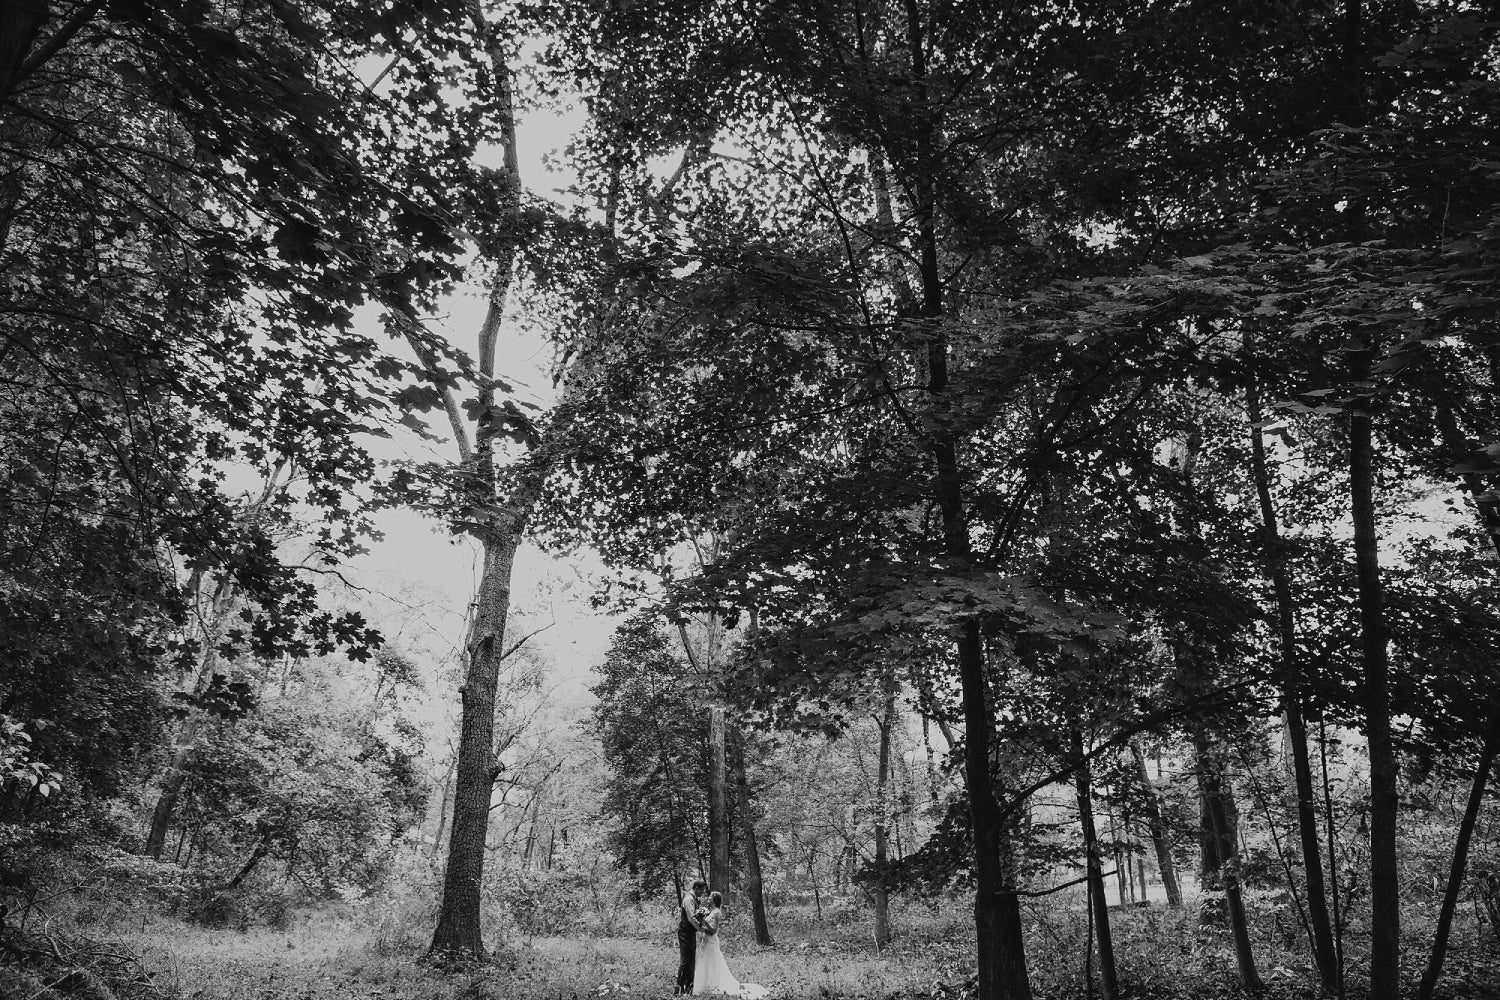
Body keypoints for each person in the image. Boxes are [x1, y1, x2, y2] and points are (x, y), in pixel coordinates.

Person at [692, 891, 767, 998]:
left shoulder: (717, 912)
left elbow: (714, 930)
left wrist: (704, 922)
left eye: (710, 897)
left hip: (711, 941)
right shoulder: (710, 911)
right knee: (704, 961)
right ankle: (704, 984)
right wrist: (700, 922)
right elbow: (706, 928)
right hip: (705, 940)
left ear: (714, 899)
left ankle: (715, 984)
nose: (708, 898)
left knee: (713, 962)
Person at [675, 879, 707, 995]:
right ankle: (678, 988)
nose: (702, 893)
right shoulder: (689, 899)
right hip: (685, 933)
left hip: (690, 933)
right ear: (696, 888)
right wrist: (701, 929)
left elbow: (696, 915)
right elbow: (691, 918)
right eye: (701, 890)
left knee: (691, 961)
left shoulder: (695, 899)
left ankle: (689, 988)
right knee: (685, 961)